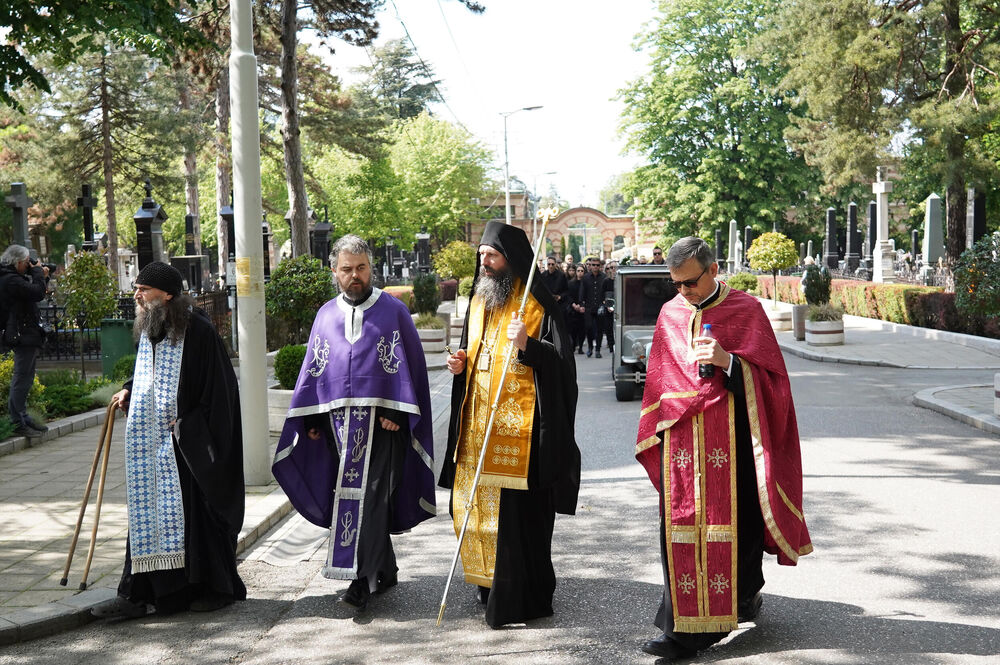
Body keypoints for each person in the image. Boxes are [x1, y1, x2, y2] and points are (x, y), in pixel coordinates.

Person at [635, 237, 812, 660]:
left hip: (733, 441)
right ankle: (683, 628)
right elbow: (658, 379)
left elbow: (773, 385)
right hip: (681, 442)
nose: (684, 292)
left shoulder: (746, 310)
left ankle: (742, 599)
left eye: (690, 283)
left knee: (740, 526)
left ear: (713, 270)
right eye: (676, 284)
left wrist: (728, 361)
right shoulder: (670, 313)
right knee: (678, 528)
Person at [272, 235, 435, 612]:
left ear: (370, 268)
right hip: (337, 427)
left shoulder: (393, 310)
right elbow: (315, 368)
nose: (354, 276)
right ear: (334, 272)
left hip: (382, 427)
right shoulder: (325, 315)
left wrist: (398, 411)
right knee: (347, 496)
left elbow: (409, 366)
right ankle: (386, 568)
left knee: (372, 498)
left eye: (361, 268)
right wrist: (311, 416)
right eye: (346, 269)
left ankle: (360, 579)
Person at [442, 221, 581, 628]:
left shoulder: (535, 304)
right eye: (481, 255)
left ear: (511, 260)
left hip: (523, 438)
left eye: (492, 256)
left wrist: (529, 346)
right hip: (477, 428)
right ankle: (488, 584)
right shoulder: (478, 300)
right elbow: (474, 353)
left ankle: (522, 595)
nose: (484, 262)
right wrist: (459, 364)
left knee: (518, 519)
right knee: (476, 510)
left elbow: (562, 367)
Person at [94, 262, 246, 619]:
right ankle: (141, 594)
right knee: (148, 514)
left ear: (167, 295)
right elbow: (146, 373)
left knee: (197, 519)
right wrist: (130, 390)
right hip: (153, 443)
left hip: (188, 447)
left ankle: (212, 588)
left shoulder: (200, 332)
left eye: (143, 290)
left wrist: (190, 428)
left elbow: (219, 393)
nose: (137, 295)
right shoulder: (152, 327)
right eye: (137, 288)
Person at [0, 245, 50, 437]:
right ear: (18, 262)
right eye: (27, 262)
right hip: (21, 334)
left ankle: (21, 415)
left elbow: (35, 291)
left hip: (25, 332)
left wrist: (41, 275)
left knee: (26, 377)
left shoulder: (12, 278)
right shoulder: (10, 280)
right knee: (21, 378)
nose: (29, 265)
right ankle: (16, 420)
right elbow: (37, 293)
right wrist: (37, 271)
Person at [580, 256, 611, 358]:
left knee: (599, 329)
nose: (595, 267)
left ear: (600, 266)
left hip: (600, 307)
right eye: (593, 265)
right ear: (590, 266)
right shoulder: (585, 277)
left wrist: (606, 304)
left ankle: (597, 349)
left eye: (597, 265)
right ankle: (590, 347)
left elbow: (607, 292)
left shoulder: (604, 277)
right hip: (588, 307)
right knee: (588, 327)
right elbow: (582, 292)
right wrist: (582, 304)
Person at [567, 265, 586, 354]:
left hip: (583, 309)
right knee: (574, 330)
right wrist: (574, 305)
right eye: (578, 270)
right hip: (573, 310)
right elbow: (569, 296)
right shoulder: (571, 283)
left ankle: (581, 347)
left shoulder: (586, 283)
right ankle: (574, 346)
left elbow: (587, 296)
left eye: (582, 271)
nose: (580, 272)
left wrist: (582, 305)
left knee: (582, 330)